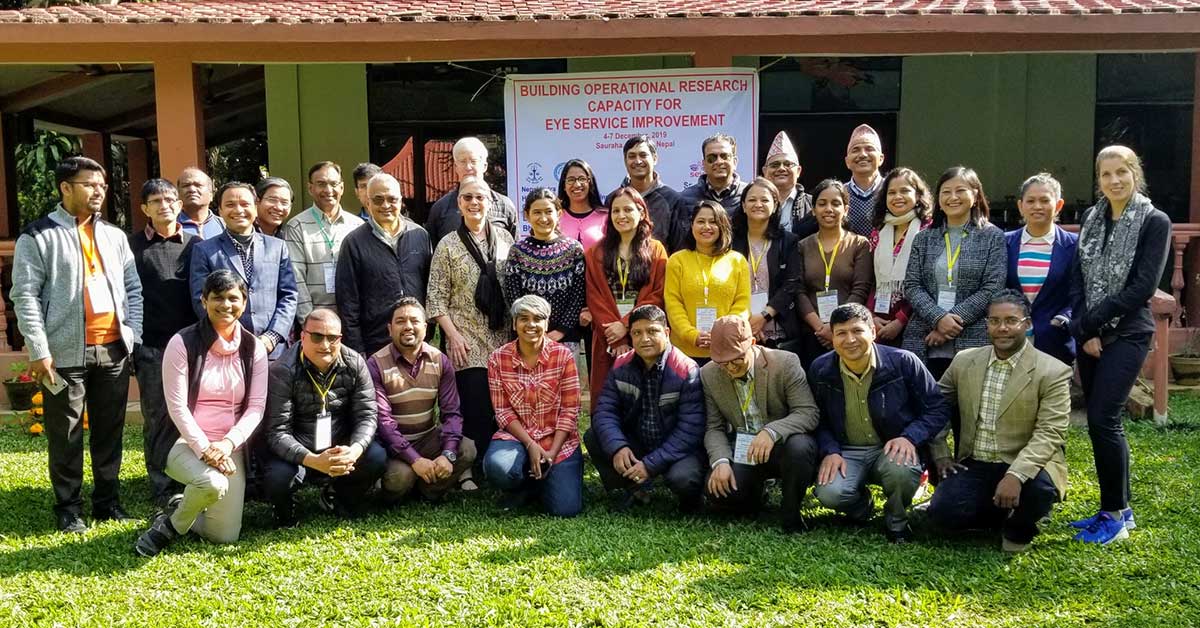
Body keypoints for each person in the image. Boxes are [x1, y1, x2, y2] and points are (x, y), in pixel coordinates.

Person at [11, 155, 144, 533]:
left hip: (113, 348)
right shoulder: (37, 236)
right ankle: (68, 507)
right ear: (65, 188)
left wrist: (130, 332)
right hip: (63, 352)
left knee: (109, 429)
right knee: (66, 433)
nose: (98, 191)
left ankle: (107, 503)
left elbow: (132, 288)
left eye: (101, 185)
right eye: (89, 184)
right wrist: (39, 349)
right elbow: (25, 296)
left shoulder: (114, 236)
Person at [1068, 145, 1171, 545]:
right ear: (1098, 179)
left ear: (1135, 174)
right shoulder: (1091, 218)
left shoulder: (1154, 221)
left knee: (1103, 418)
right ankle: (1117, 509)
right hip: (1091, 333)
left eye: (1122, 172)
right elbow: (1077, 277)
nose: (1114, 180)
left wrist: (1088, 322)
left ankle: (1113, 515)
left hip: (1128, 331)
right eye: (1106, 174)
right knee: (1100, 424)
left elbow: (1143, 287)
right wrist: (1086, 330)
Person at [133, 271, 268, 556]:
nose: (226, 305)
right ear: (204, 300)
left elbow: (256, 407)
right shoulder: (182, 343)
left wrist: (227, 444)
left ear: (244, 302)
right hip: (183, 441)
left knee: (225, 536)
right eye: (217, 298)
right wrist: (206, 448)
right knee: (212, 482)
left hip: (229, 445)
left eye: (234, 298)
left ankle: (177, 509)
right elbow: (177, 407)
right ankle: (168, 529)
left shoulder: (253, 347)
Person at [928, 290, 1071, 552]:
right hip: (977, 462)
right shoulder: (964, 361)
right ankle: (999, 508)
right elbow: (935, 408)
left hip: (1027, 463)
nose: (1002, 328)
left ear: (1027, 324)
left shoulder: (1053, 371)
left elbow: (1050, 433)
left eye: (1011, 321)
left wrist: (1016, 475)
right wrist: (940, 453)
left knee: (1038, 492)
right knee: (943, 513)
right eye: (994, 321)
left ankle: (1020, 526)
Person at [809, 304, 948, 543]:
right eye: (841, 333)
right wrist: (829, 450)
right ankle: (862, 508)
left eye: (857, 331)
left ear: (873, 332)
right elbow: (816, 418)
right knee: (829, 493)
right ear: (832, 337)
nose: (850, 339)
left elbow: (938, 407)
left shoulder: (904, 362)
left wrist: (910, 437)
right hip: (847, 451)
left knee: (901, 471)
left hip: (892, 446)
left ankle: (896, 521)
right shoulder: (821, 369)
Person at [262, 309, 387, 526]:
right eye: (317, 336)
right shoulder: (282, 370)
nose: (325, 345)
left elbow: (367, 415)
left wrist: (354, 450)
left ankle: (340, 496)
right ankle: (286, 511)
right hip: (299, 445)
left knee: (375, 456)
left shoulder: (355, 363)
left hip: (338, 441)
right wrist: (312, 460)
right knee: (278, 476)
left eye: (332, 338)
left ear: (341, 338)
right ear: (302, 336)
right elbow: (277, 432)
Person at [427, 176, 514, 482]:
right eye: (467, 198)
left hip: (501, 337)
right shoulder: (447, 245)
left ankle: (495, 466)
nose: (474, 203)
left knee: (499, 406)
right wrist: (453, 335)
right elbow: (436, 299)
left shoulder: (505, 239)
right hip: (464, 338)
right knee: (473, 405)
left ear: (490, 203)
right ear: (458, 204)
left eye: (480, 197)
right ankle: (468, 471)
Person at [701, 316, 819, 533]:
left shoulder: (785, 363)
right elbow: (714, 427)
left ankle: (791, 510)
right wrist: (720, 461)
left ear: (753, 344)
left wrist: (772, 431)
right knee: (718, 491)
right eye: (722, 361)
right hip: (744, 449)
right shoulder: (709, 373)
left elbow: (808, 412)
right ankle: (755, 498)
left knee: (800, 447)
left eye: (736, 359)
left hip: (782, 445)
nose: (729, 367)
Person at [585, 305, 705, 512]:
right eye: (637, 333)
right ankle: (635, 489)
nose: (644, 339)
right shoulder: (621, 365)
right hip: (638, 442)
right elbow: (605, 411)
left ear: (666, 333)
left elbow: (690, 430)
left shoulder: (687, 370)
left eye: (652, 331)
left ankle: (690, 500)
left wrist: (651, 464)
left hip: (676, 448)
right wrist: (618, 447)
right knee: (594, 437)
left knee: (684, 479)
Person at [129, 178, 198, 508]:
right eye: (155, 201)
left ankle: (192, 478)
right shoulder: (131, 249)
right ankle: (162, 487)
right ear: (145, 208)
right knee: (158, 418)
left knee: (194, 415)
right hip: (152, 347)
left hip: (192, 348)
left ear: (179, 205)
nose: (164, 205)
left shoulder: (197, 245)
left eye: (170, 199)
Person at [901, 167, 1006, 381]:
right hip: (924, 336)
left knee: (965, 409)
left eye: (960, 190)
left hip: (973, 336)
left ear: (975, 195)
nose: (953, 197)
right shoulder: (924, 238)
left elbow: (993, 287)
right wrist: (938, 318)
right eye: (946, 192)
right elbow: (912, 285)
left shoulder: (992, 236)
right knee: (927, 405)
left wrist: (951, 324)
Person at [483, 295, 583, 517]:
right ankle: (522, 486)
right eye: (523, 318)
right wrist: (530, 444)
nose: (531, 325)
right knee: (498, 468)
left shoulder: (563, 356)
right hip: (517, 439)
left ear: (546, 324)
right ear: (514, 323)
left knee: (565, 509)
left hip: (558, 442)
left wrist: (552, 453)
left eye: (538, 319)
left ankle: (542, 481)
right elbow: (503, 412)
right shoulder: (497, 359)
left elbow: (570, 409)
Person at [368, 298, 475, 502]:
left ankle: (427, 491)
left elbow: (451, 413)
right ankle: (405, 483)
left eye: (414, 321)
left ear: (425, 328)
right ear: (390, 329)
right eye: (400, 321)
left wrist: (447, 454)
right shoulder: (375, 364)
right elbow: (384, 424)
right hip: (392, 447)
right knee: (400, 478)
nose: (408, 326)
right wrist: (414, 460)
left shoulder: (440, 360)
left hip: (427, 440)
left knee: (466, 449)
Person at [190, 182, 298, 360]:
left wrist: (273, 336)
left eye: (245, 204)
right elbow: (200, 299)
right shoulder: (204, 250)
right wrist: (231, 336)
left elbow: (289, 295)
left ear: (256, 207)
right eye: (230, 205)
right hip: (225, 348)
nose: (238, 210)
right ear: (220, 211)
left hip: (273, 351)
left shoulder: (277, 247)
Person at [584, 187, 669, 411]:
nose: (621, 216)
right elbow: (594, 296)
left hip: (644, 333)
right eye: (615, 211)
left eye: (628, 209)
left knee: (645, 398)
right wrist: (616, 337)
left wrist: (626, 326)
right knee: (607, 398)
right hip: (607, 337)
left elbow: (657, 294)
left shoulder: (656, 250)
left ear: (641, 212)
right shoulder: (595, 252)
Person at [336, 173, 432, 356]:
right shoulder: (354, 243)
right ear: (368, 203)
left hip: (418, 344)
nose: (386, 205)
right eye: (378, 200)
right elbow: (348, 304)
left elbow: (432, 289)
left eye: (392, 199)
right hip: (375, 345)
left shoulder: (420, 235)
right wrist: (358, 354)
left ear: (401, 201)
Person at [791, 179, 873, 370]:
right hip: (813, 333)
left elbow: (860, 289)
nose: (829, 209)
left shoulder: (859, 244)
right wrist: (821, 328)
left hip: (850, 334)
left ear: (845, 209)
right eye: (822, 204)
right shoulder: (802, 245)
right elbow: (798, 290)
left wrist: (837, 328)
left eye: (835, 203)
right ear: (813, 209)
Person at [664, 200, 751, 364]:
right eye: (700, 221)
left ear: (722, 226)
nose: (706, 227)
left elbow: (742, 304)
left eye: (713, 222)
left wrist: (723, 334)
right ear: (692, 225)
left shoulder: (737, 261)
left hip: (727, 350)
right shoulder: (677, 260)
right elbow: (673, 303)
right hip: (683, 352)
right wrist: (691, 335)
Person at [1005, 173, 1079, 365]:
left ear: (1059, 205)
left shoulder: (1074, 246)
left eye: (1045, 200)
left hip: (1054, 342)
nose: (1037, 206)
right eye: (1030, 201)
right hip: (1010, 341)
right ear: (1021, 206)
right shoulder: (1004, 243)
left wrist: (1064, 319)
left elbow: (1080, 293)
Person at [503, 188, 586, 346]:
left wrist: (560, 331)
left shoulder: (574, 250)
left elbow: (578, 296)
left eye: (548, 211)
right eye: (537, 212)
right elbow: (514, 297)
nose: (543, 218)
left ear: (559, 214)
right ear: (527, 215)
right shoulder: (517, 252)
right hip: (529, 337)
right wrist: (534, 330)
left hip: (566, 338)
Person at [285, 161, 364, 323]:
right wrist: (310, 322)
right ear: (310, 188)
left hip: (354, 320)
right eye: (321, 184)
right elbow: (296, 278)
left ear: (341, 187)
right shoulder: (297, 226)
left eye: (334, 184)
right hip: (315, 321)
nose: (328, 190)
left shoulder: (357, 226)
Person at [732, 177, 803, 352]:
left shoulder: (788, 241)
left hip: (779, 327)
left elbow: (792, 283)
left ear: (775, 206)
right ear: (743, 206)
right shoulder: (730, 241)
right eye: (752, 200)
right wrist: (746, 320)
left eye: (765, 200)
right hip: (739, 326)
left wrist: (764, 316)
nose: (758, 204)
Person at [868, 167, 933, 348]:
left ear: (918, 195)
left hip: (915, 320)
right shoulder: (878, 232)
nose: (897, 197)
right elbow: (873, 280)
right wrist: (871, 316)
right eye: (892, 192)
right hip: (879, 320)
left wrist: (900, 321)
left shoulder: (928, 231)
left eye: (905, 191)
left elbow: (928, 283)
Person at [424, 137, 518, 244]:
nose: (468, 167)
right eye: (463, 161)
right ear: (455, 167)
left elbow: (516, 253)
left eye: (473, 161)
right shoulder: (440, 208)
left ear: (484, 166)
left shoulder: (505, 206)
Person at [604, 135, 682, 251]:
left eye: (643, 155)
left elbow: (679, 248)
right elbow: (609, 242)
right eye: (631, 156)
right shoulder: (612, 199)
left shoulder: (672, 199)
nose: (638, 161)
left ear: (655, 158)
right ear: (625, 161)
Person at [677, 133, 748, 221]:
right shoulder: (686, 198)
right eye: (712, 158)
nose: (719, 161)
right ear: (703, 165)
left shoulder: (748, 195)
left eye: (725, 156)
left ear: (735, 162)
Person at [761, 130, 815, 239]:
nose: (781, 168)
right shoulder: (754, 204)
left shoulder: (813, 205)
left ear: (798, 171)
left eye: (787, 164)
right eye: (775, 165)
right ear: (765, 171)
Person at [556, 158, 608, 251]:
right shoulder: (556, 218)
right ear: (564, 185)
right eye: (571, 180)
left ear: (590, 183)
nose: (577, 184)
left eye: (582, 179)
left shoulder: (606, 217)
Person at [843, 124, 885, 237]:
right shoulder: (839, 194)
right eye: (855, 150)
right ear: (847, 162)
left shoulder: (893, 190)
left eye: (869, 149)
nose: (862, 154)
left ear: (881, 159)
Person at [176, 167, 225, 239]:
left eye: (198, 185)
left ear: (211, 194)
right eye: (186, 185)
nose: (192, 189)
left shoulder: (225, 226)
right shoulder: (171, 227)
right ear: (178, 194)